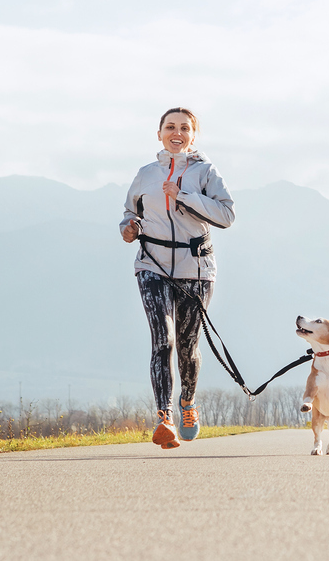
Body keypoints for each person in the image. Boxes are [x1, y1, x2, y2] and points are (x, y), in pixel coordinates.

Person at [120, 107, 236, 449]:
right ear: (159, 134)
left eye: (184, 128)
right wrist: (129, 228)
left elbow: (227, 215)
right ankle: (164, 418)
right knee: (163, 340)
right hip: (152, 265)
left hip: (195, 268)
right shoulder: (145, 174)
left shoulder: (206, 172)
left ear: (193, 136)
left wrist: (183, 195)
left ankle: (187, 401)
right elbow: (130, 212)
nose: (177, 132)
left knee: (187, 346)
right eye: (170, 127)